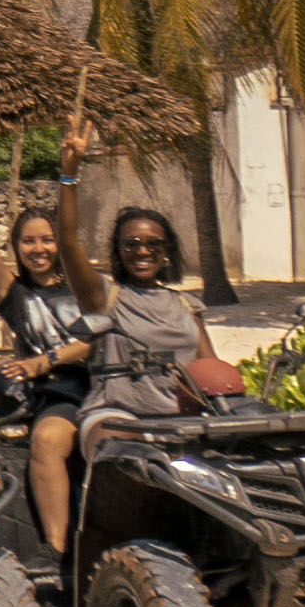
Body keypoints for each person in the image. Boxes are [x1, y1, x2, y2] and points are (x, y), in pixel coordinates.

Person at [0, 97, 95, 552]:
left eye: (47, 240)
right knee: (47, 440)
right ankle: (58, 550)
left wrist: (69, 174)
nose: (39, 248)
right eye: (28, 241)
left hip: (103, 387)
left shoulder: (86, 289)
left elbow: (97, 339)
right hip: (61, 397)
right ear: (17, 247)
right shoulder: (14, 296)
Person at [64, 195, 222, 456]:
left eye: (154, 244)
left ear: (167, 251)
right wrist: (68, 179)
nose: (143, 251)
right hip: (118, 413)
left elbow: (210, 369)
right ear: (118, 251)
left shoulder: (187, 305)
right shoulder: (104, 297)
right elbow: (68, 245)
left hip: (182, 419)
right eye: (131, 244)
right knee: (119, 453)